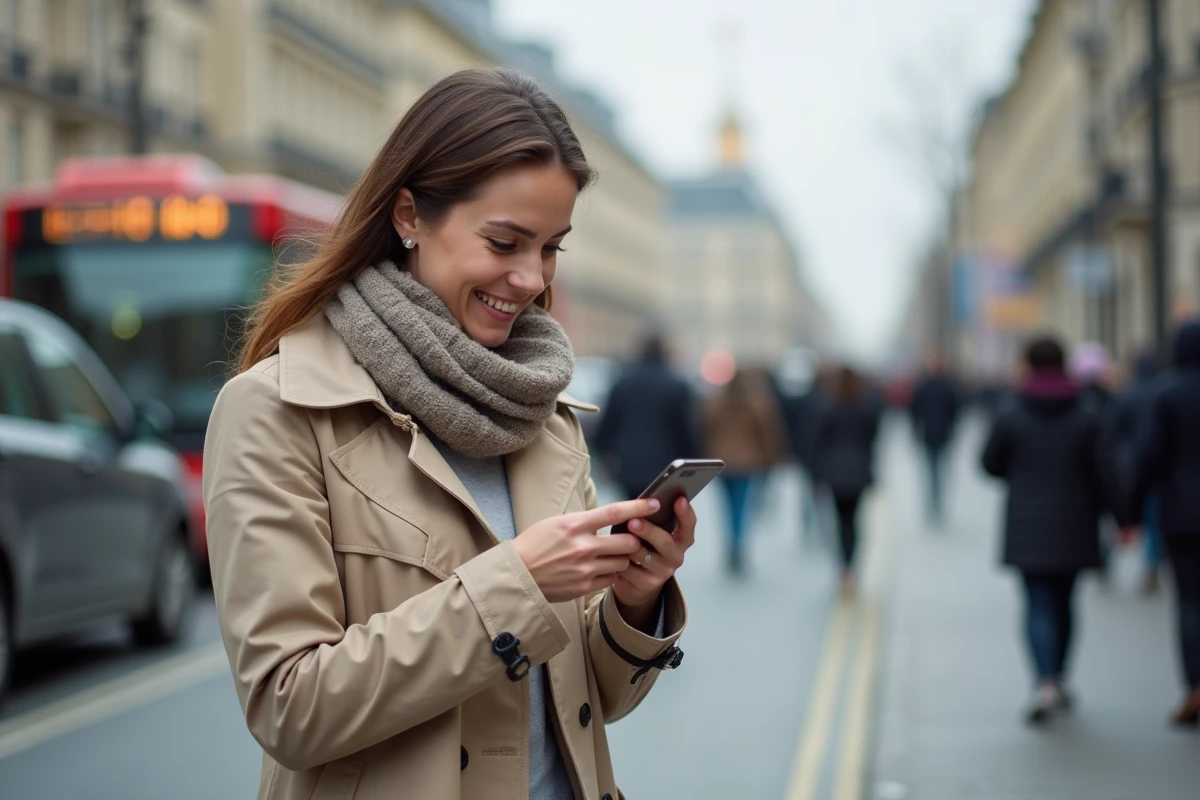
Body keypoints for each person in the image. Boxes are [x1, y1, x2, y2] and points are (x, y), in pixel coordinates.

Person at [202, 68, 694, 800]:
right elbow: (290, 706)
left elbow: (587, 704)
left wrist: (635, 601)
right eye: (505, 242)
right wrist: (513, 588)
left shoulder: (544, 413)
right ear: (409, 215)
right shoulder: (276, 411)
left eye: (552, 247)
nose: (531, 278)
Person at [981, 336, 1109, 725]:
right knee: (1066, 603)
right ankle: (1060, 676)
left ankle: (1045, 681)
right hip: (1075, 521)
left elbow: (989, 463)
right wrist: (1125, 518)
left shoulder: (1011, 412)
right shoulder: (1085, 413)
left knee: (1037, 604)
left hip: (1027, 523)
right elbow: (1104, 470)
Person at [1130, 320, 1200, 727]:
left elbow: (1148, 456)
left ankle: (1194, 686)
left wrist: (1131, 511)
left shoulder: (1166, 393)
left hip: (1182, 514)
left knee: (1190, 601)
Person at [593, 330, 700, 500]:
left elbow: (608, 423)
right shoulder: (677, 385)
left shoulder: (622, 383)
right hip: (665, 466)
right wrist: (693, 460)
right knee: (659, 515)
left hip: (628, 465)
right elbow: (685, 429)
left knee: (630, 513)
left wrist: (604, 452)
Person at [703, 366, 785, 574]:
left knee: (727, 507)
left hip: (721, 463)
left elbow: (705, 430)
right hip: (747, 463)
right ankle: (738, 545)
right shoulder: (756, 403)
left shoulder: (715, 403)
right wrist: (770, 459)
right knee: (742, 506)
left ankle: (731, 543)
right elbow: (766, 434)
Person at [813, 365, 881, 596]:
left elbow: (818, 441)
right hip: (859, 472)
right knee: (854, 522)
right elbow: (873, 437)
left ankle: (843, 569)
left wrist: (818, 473)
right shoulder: (865, 407)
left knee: (841, 522)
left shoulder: (827, 407)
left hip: (834, 473)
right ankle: (851, 568)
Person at [1106, 349, 1164, 593]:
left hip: (1129, 465)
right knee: (1153, 517)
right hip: (1158, 466)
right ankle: (1151, 564)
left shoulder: (1126, 395)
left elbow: (1114, 431)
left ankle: (1108, 556)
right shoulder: (1162, 393)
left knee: (1125, 514)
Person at [908, 351, 962, 525]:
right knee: (934, 469)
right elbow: (915, 410)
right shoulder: (942, 386)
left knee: (936, 469)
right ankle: (934, 502)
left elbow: (955, 409)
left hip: (938, 433)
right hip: (934, 434)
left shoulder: (936, 386)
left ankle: (935, 502)